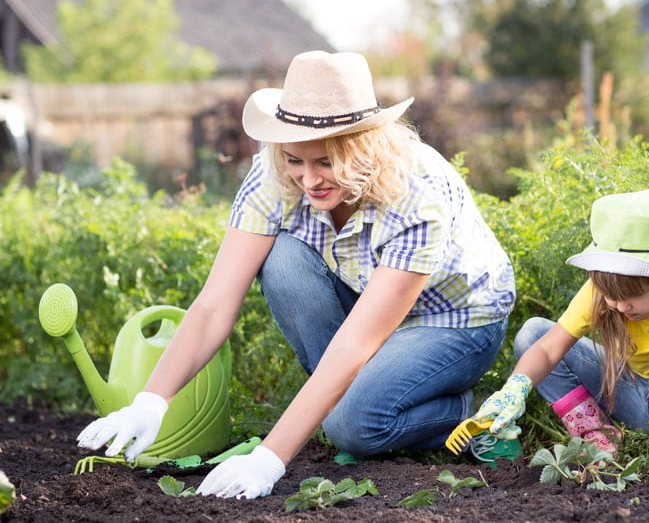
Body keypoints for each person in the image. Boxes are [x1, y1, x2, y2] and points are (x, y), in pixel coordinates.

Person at [75, 50, 516, 498]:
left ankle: (469, 415)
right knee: (282, 258)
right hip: (368, 293)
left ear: (363, 148)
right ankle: (345, 403)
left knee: (353, 426)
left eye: (326, 162)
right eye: (295, 160)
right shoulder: (273, 174)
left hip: (456, 319)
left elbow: (356, 342)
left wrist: (270, 458)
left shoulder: (415, 195)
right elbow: (213, 305)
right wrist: (150, 402)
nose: (309, 180)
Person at [471, 189, 649, 480]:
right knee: (532, 334)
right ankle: (598, 439)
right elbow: (547, 350)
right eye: (611, 295)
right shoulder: (600, 294)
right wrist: (515, 387)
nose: (621, 306)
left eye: (633, 295)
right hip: (630, 398)